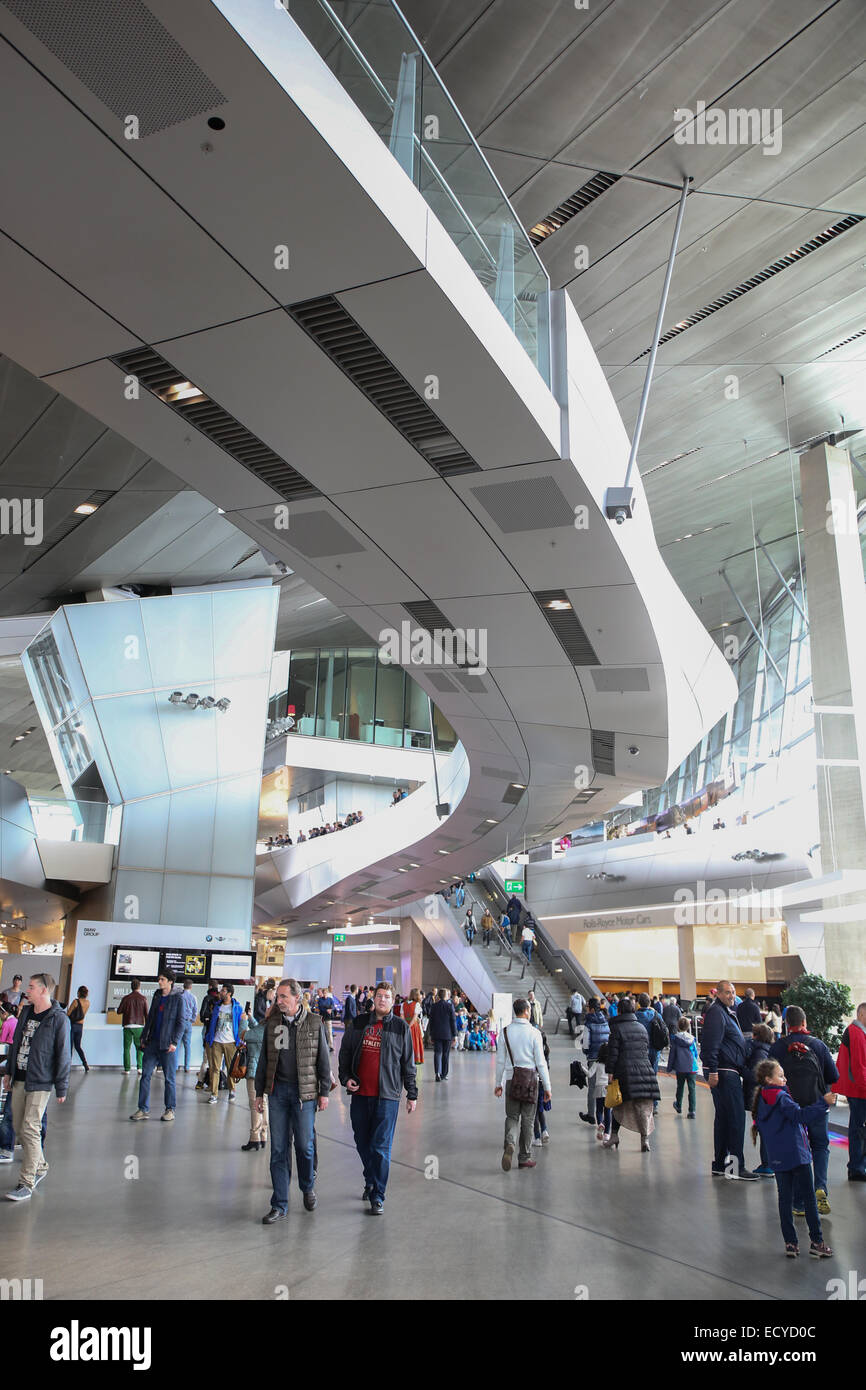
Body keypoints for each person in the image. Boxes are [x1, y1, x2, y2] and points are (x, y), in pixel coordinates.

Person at [255, 978, 330, 1222]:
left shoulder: (314, 1022)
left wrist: (324, 1092)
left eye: (284, 997)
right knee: (278, 1148)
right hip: (278, 1094)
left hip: (304, 1095)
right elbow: (265, 1061)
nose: (279, 1001)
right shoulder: (274, 1024)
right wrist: (259, 1092)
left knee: (304, 1147)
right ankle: (279, 1203)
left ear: (298, 998)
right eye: (278, 997)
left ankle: (307, 1187)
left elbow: (323, 1060)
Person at [339, 980, 417, 1214]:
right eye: (379, 996)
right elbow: (345, 1052)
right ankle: (371, 1177)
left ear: (393, 1002)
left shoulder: (401, 1028)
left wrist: (411, 1094)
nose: (382, 999)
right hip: (361, 1095)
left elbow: (408, 1064)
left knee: (381, 1147)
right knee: (363, 1143)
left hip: (388, 1097)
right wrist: (345, 1078)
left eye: (387, 997)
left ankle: (378, 1195)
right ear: (373, 998)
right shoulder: (360, 1023)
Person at [750, 1057, 834, 1258]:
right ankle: (817, 1241)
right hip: (798, 1155)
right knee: (809, 1199)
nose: (785, 1079)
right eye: (781, 1076)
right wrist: (823, 1103)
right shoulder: (782, 1097)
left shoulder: (761, 1101)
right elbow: (800, 1116)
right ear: (769, 1080)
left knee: (784, 1200)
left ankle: (790, 1243)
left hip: (778, 1157)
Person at [2, 973, 70, 1202]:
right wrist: (9, 1072)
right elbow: (16, 1044)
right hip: (20, 1078)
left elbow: (63, 1054)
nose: (26, 991)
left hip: (41, 1082)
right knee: (19, 1128)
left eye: (31, 987)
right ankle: (40, 1165)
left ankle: (26, 1182)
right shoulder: (27, 1012)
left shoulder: (58, 1018)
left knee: (30, 1128)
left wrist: (62, 1086)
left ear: (44, 990)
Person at [767, 1006, 838, 1210]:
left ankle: (798, 1203)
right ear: (805, 1022)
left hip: (789, 1108)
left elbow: (768, 1078)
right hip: (817, 1105)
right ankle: (820, 1187)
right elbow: (833, 1076)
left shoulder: (778, 1048)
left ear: (787, 1025)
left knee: (797, 1151)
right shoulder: (818, 1045)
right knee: (820, 1146)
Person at [700, 979, 758, 1180]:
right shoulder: (718, 1013)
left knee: (724, 1118)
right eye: (727, 992)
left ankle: (719, 1163)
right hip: (725, 1072)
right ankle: (735, 1168)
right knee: (735, 1119)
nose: (731, 996)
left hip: (727, 1071)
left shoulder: (725, 1012)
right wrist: (713, 1070)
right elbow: (711, 1044)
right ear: (718, 994)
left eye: (733, 992)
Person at [494, 998, 551, 1171]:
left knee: (512, 1117)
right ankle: (524, 1157)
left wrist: (498, 1083)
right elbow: (541, 1062)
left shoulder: (504, 1032)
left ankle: (510, 1142)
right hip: (531, 1082)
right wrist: (547, 1087)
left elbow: (500, 1062)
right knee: (528, 1119)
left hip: (512, 1080)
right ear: (527, 1010)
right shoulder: (534, 1033)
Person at [603, 997, 660, 1152]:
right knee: (642, 1107)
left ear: (619, 1011)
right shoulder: (641, 1027)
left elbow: (613, 1053)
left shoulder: (616, 1029)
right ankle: (645, 1140)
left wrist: (610, 1072)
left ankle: (614, 1135)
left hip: (625, 1071)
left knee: (618, 1103)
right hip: (645, 1070)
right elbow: (645, 1050)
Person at [130, 970, 185, 1122]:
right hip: (152, 1043)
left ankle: (170, 1109)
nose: (159, 982)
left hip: (168, 1045)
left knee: (169, 1079)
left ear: (170, 982)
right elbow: (150, 1019)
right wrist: (143, 1037)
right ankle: (143, 1109)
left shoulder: (178, 999)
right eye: (159, 979)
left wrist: (174, 1042)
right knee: (145, 1075)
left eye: (162, 979)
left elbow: (181, 1023)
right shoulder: (157, 996)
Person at [832, 1000, 866, 1184]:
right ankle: (857, 1168)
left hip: (858, 1089)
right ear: (861, 1014)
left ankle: (858, 1166)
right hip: (859, 1090)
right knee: (858, 1130)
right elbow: (859, 1067)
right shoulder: (856, 1032)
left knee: (858, 1129)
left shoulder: (858, 1032)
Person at [744, 1023, 776, 1176]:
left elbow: (754, 1075)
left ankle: (767, 1164)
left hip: (761, 1096)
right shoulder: (768, 1050)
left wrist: (741, 1068)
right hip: (767, 1096)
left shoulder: (758, 1053)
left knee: (763, 1128)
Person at [205, 983, 244, 1105]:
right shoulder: (217, 1006)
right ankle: (214, 1093)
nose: (220, 992)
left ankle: (232, 1089)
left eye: (223, 991)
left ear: (229, 993)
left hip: (231, 1042)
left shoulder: (237, 1008)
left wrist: (240, 1040)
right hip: (216, 1041)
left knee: (230, 1067)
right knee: (215, 1068)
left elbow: (241, 1024)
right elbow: (211, 1022)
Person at [580, 998, 611, 1133]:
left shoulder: (588, 1023)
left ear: (592, 1009)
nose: (586, 1009)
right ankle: (605, 1113)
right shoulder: (605, 1020)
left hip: (594, 1058)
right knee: (605, 1086)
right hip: (606, 1058)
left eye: (587, 1007)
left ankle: (592, 1115)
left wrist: (586, 1052)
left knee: (592, 1087)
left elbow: (586, 1044)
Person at [239, 1008, 268, 1152]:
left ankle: (254, 1138)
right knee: (264, 1103)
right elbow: (257, 1027)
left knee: (255, 1104)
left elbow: (244, 1035)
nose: (266, 1009)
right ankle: (263, 1135)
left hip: (255, 1072)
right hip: (267, 1072)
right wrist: (250, 1018)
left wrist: (243, 1021)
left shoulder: (262, 1030)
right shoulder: (271, 1028)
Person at [635, 993, 667, 1114]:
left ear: (639, 1003)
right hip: (655, 1049)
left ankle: (642, 1102)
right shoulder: (656, 1015)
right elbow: (664, 1030)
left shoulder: (635, 1016)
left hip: (640, 1050)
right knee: (653, 1076)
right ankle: (654, 1104)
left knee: (640, 1077)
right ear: (649, 1003)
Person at [667, 1016, 699, 1118]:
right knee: (692, 1088)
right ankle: (692, 1110)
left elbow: (672, 1054)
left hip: (680, 1067)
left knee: (680, 1086)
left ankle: (679, 1105)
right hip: (691, 1067)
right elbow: (695, 1053)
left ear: (678, 1026)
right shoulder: (692, 1039)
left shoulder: (675, 1039)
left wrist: (669, 1067)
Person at [116, 977, 148, 1074]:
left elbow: (119, 1011)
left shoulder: (126, 998)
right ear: (139, 987)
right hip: (139, 1026)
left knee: (126, 1048)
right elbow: (147, 1014)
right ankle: (140, 1068)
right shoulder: (143, 998)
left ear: (131, 987)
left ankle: (127, 1069)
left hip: (127, 1026)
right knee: (139, 1048)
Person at [195, 980, 221, 1090]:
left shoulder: (207, 998)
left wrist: (206, 1019)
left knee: (205, 1059)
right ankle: (214, 1083)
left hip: (207, 1030)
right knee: (217, 1061)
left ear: (210, 986)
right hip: (219, 1032)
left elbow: (202, 1015)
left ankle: (200, 1082)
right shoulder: (221, 1000)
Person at [428, 988, 457, 1081]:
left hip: (436, 1033)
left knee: (437, 1053)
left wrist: (431, 1034)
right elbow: (453, 1021)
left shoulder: (434, 1006)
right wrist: (455, 1035)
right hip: (447, 1034)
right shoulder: (450, 1006)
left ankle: (437, 1073)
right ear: (446, 995)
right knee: (445, 1054)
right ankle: (444, 1074)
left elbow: (431, 1021)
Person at [532, 1030, 552, 1146]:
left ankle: (537, 1137)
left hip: (534, 1082)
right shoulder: (547, 1051)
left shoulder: (535, 1051)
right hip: (543, 1083)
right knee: (540, 1110)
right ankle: (544, 1130)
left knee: (534, 1111)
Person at [66, 986, 90, 1072]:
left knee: (69, 1046)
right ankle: (85, 1064)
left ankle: (67, 1065)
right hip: (80, 1027)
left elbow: (68, 1013)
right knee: (78, 1046)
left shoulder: (75, 1002)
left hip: (73, 1025)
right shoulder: (88, 1003)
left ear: (79, 992)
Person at [401, 989, 425, 1066]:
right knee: (414, 1042)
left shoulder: (403, 1004)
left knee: (405, 1043)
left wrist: (405, 1025)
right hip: (413, 1026)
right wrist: (409, 1026)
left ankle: (405, 1059)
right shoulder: (417, 1004)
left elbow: (402, 1016)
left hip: (405, 1025)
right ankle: (415, 1059)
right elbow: (415, 1018)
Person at [179, 978, 198, 1072]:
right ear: (191, 987)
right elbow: (195, 1010)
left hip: (179, 1022)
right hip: (188, 1022)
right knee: (187, 1045)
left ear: (184, 986)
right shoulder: (193, 997)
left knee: (176, 1044)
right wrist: (192, 1020)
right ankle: (187, 1067)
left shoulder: (180, 996)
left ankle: (174, 1066)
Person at [318, 985, 335, 1051]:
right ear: (322, 993)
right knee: (323, 1032)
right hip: (322, 1017)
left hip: (328, 1017)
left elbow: (333, 1006)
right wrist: (327, 1009)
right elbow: (321, 1008)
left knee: (329, 1032)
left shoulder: (330, 999)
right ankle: (323, 1045)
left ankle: (331, 1046)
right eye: (324, 993)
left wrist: (330, 1009)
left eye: (326, 993)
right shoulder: (320, 1000)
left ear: (327, 993)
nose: (325, 994)